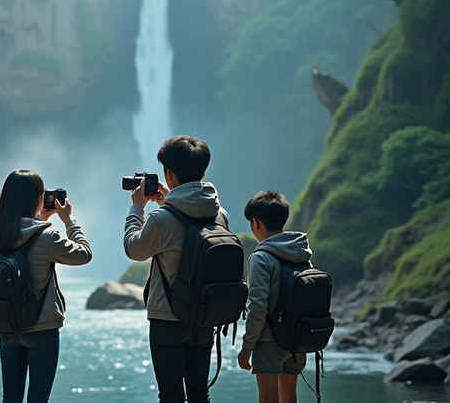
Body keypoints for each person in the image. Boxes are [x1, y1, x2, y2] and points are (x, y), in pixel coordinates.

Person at [124, 135, 229, 403]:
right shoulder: (219, 215)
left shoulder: (162, 219)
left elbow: (134, 249)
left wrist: (137, 208)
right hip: (204, 316)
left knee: (170, 394)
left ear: (169, 174)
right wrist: (169, 201)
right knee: (199, 392)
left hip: (166, 318)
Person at [0, 170, 92, 403]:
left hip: (7, 327)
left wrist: (41, 220)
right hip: (42, 328)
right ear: (38, 198)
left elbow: (24, 237)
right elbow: (84, 254)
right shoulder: (46, 236)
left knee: (10, 398)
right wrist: (68, 220)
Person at [238, 191, 311, 403]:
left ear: (256, 223)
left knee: (268, 399)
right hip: (297, 338)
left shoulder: (261, 258)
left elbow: (258, 307)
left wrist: (247, 346)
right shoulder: (301, 253)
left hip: (269, 341)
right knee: (289, 397)